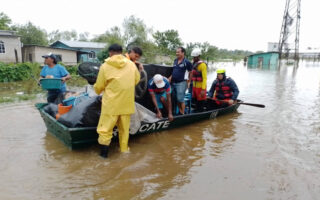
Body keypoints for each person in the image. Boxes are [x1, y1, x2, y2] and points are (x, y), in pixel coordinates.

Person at [94, 44, 140, 158]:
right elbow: (136, 80)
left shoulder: (105, 66)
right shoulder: (131, 65)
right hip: (126, 104)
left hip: (111, 105)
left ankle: (103, 157)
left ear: (110, 53)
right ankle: (124, 152)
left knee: (105, 130)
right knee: (124, 131)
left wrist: (97, 89)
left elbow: (99, 86)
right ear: (121, 52)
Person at [169, 47, 192, 115]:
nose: (177, 53)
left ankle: (182, 113)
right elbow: (174, 71)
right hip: (173, 82)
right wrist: (170, 78)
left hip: (182, 83)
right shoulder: (175, 61)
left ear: (183, 53)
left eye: (178, 52)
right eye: (176, 52)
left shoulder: (186, 62)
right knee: (176, 98)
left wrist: (189, 82)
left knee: (180, 99)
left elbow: (191, 72)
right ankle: (180, 111)